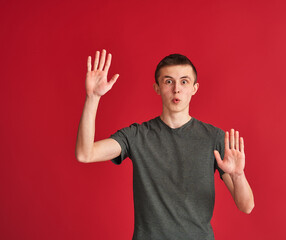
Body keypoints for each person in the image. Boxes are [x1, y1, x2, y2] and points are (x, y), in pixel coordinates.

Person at [75, 49, 254, 240]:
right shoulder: (137, 135)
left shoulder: (214, 138)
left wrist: (238, 175)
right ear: (157, 88)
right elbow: (85, 154)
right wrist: (93, 98)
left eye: (184, 81)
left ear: (194, 88)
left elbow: (247, 206)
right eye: (168, 81)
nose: (176, 89)